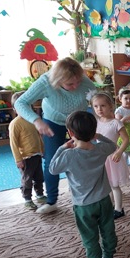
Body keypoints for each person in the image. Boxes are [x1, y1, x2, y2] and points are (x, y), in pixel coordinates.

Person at [14, 57, 96, 214]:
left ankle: (86, 195)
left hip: (77, 121)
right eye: (70, 84)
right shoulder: (46, 82)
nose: (75, 86)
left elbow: (97, 100)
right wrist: (37, 121)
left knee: (83, 156)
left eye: (78, 82)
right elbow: (20, 103)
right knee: (52, 160)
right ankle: (51, 201)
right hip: (53, 122)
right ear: (58, 80)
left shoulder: (84, 81)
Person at [49, 111, 118, 258]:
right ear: (94, 131)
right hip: (104, 199)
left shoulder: (68, 155)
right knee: (108, 229)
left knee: (89, 235)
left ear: (70, 133)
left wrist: (61, 148)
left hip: (83, 205)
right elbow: (113, 146)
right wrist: (99, 137)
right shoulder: (101, 148)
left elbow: (52, 169)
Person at [91, 93, 130, 219]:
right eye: (96, 106)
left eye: (103, 106)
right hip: (100, 157)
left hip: (112, 156)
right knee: (105, 185)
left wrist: (119, 152)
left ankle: (119, 209)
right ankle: (110, 206)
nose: (99, 109)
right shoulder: (96, 122)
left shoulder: (116, 123)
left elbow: (126, 139)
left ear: (110, 106)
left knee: (114, 185)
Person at [8, 91, 46, 211]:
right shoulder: (15, 124)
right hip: (26, 157)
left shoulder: (33, 120)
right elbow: (13, 143)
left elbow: (38, 136)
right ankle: (27, 199)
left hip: (37, 154)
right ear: (15, 109)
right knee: (27, 179)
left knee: (39, 177)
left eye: (27, 106)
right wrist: (18, 159)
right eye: (21, 107)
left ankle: (40, 195)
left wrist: (42, 149)